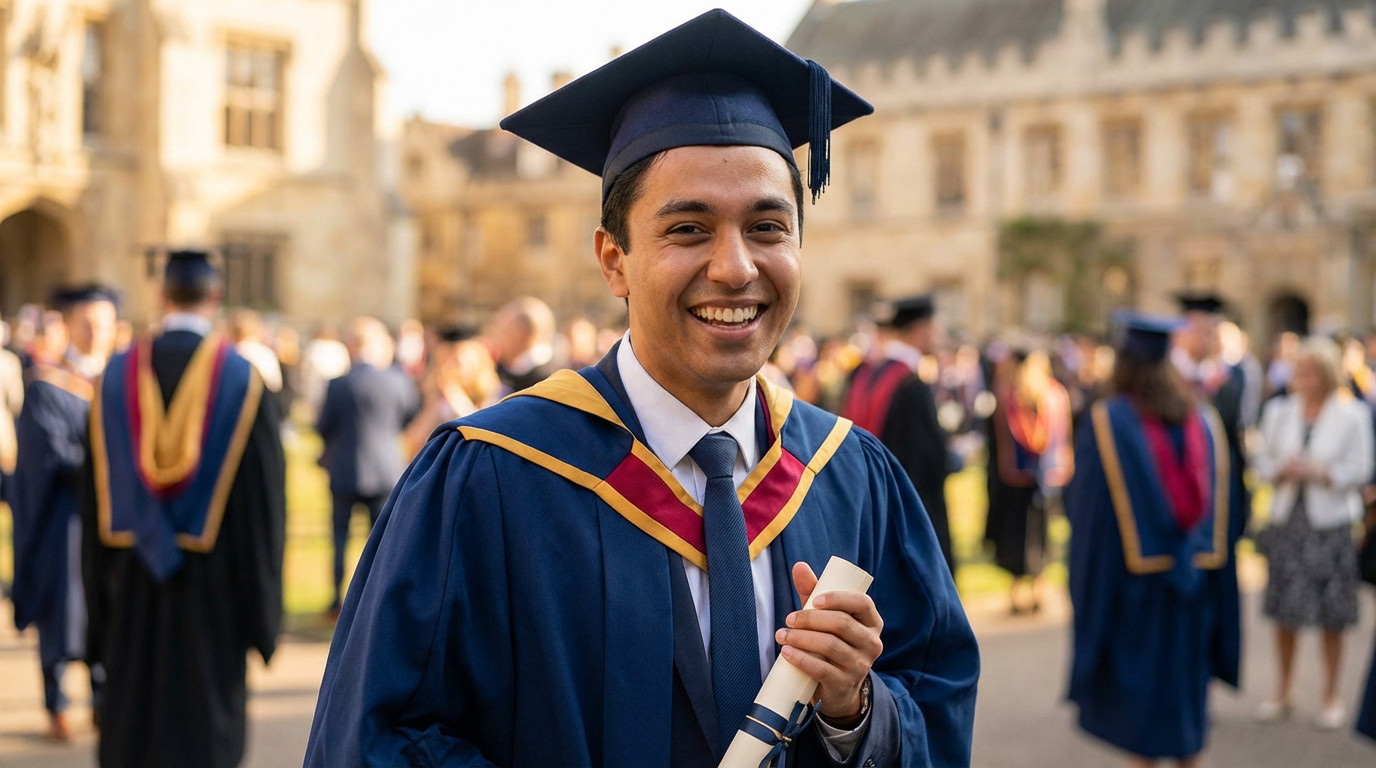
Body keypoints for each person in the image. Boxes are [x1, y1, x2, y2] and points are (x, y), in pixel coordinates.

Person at [305, 10, 978, 767]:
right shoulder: (491, 478)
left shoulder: (852, 479)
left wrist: (856, 713)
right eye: (688, 229)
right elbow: (373, 739)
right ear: (614, 260)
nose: (734, 267)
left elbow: (935, 702)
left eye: (767, 227)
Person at [82, 250, 285, 768]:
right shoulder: (245, 383)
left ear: (161, 295)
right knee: (203, 736)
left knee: (133, 726)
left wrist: (97, 617)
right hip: (212, 594)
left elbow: (91, 506)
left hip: (131, 585)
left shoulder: (112, 379)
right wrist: (260, 617)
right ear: (215, 298)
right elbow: (263, 516)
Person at [1065, 312, 1242, 767]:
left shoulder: (1107, 421)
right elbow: (1230, 510)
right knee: (1186, 712)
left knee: (1141, 719)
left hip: (1134, 596)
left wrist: (1087, 596)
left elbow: (1090, 519)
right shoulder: (1202, 419)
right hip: (1193, 590)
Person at [9, 284, 118, 740]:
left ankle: (101, 697)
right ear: (70, 325)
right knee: (62, 609)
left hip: (112, 524)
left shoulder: (121, 383)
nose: (95, 333)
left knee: (106, 610)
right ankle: (56, 703)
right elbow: (47, 457)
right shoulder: (49, 386)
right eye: (88, 323)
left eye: (104, 324)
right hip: (65, 522)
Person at [1252, 335, 1373, 729]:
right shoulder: (1279, 412)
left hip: (1329, 523)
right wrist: (1281, 470)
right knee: (1285, 611)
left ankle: (1330, 695)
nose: (1300, 378)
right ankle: (1283, 690)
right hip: (1289, 519)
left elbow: (1361, 468)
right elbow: (1261, 462)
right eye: (1297, 370)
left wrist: (1323, 473)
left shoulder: (1351, 413)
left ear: (1325, 374)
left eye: (1308, 371)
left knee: (1330, 614)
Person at [841, 294, 957, 575]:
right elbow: (930, 459)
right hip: (911, 503)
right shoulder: (912, 383)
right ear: (921, 330)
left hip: (868, 498)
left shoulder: (863, 373)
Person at [316, 316, 418, 616]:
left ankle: (336, 599)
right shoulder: (398, 380)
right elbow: (408, 418)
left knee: (339, 539)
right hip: (386, 470)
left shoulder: (339, 383)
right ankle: (377, 601)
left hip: (345, 469)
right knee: (382, 544)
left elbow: (323, 426)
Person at [984, 348, 1073, 615]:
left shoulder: (1012, 396)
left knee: (1022, 535)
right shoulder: (1049, 394)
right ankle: (1034, 592)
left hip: (1019, 482)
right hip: (1036, 480)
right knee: (1035, 534)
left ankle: (1020, 593)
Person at [488, 295, 559, 393]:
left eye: (503, 330)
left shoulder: (549, 378)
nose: (497, 337)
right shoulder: (499, 370)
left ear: (520, 333)